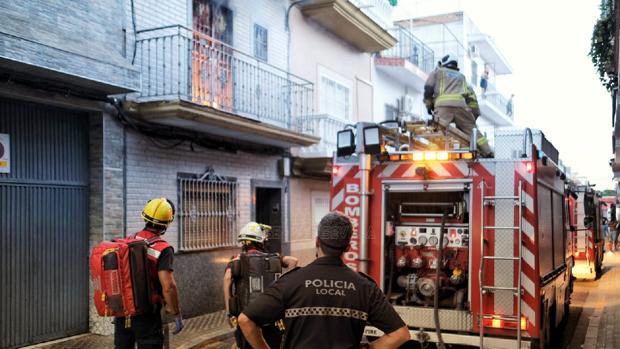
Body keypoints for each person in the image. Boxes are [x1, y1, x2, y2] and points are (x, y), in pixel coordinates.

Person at [238, 212, 410, 349]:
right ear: (348, 247)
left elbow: (245, 320)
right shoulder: (365, 287)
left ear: (317, 241)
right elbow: (401, 334)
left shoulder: (291, 282)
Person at [115, 197, 183, 349]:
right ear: (167, 223)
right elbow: (168, 286)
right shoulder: (163, 249)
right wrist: (176, 313)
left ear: (144, 217)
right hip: (147, 314)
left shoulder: (128, 241)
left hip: (123, 312)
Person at [224, 222, 299, 349]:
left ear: (244, 242)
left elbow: (227, 279)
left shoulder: (236, 260)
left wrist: (229, 311)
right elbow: (293, 261)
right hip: (272, 319)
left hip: (246, 319)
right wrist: (286, 281)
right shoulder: (273, 257)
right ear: (260, 241)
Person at [424, 54, 493, 157]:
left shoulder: (437, 72)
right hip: (462, 107)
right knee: (473, 131)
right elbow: (470, 96)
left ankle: (431, 156)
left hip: (444, 107)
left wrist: (429, 106)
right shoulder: (461, 76)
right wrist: (473, 115)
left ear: (443, 63)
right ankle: (488, 152)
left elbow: (428, 90)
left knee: (437, 131)